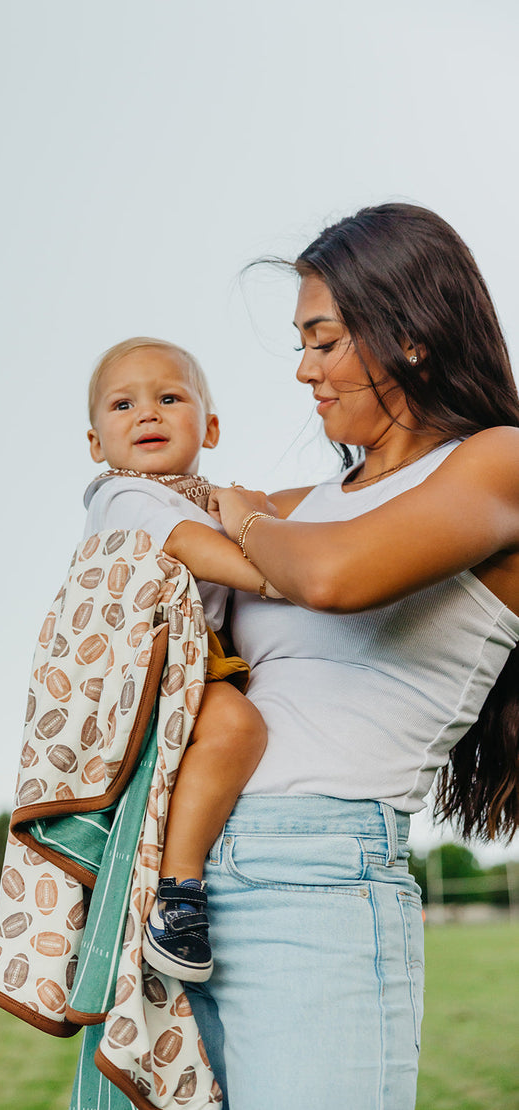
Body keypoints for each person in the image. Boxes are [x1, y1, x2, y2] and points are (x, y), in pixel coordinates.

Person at [182, 202, 519, 1110]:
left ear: (408, 334)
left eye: (324, 341)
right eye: (302, 343)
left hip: (318, 879)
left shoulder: (498, 463)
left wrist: (243, 512)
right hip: (189, 874)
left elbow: (334, 578)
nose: (304, 371)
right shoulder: (309, 504)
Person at [83, 336, 277, 982]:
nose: (148, 414)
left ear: (210, 426)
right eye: (123, 404)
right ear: (95, 443)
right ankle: (179, 897)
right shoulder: (122, 496)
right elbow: (199, 551)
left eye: (170, 398)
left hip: (191, 654)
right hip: (150, 657)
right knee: (237, 728)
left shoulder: (207, 497)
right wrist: (291, 572)